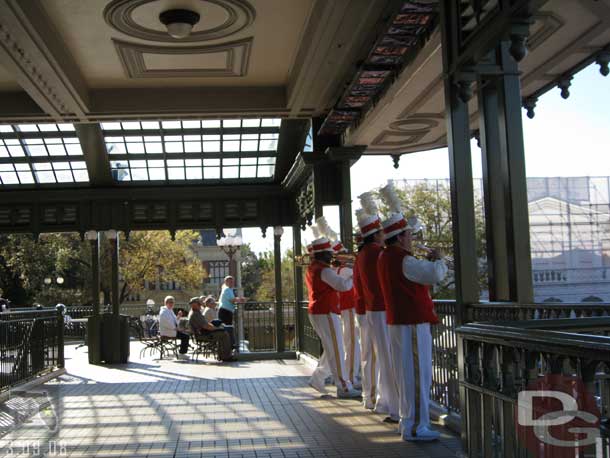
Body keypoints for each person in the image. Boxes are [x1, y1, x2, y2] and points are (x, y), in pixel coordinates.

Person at [377, 195, 448, 440]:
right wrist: (438, 258)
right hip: (412, 324)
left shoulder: (384, 257)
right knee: (418, 374)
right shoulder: (403, 260)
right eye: (408, 235)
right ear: (399, 238)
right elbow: (435, 274)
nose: (412, 239)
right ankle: (416, 427)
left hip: (400, 322)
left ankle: (411, 423)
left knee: (406, 374)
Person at [355, 196, 399, 421]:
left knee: (378, 356)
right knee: (388, 358)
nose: (385, 235)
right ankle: (391, 403)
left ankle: (379, 399)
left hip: (370, 309)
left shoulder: (361, 255)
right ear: (377, 234)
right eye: (382, 232)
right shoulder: (378, 252)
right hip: (382, 308)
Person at [306, 237, 361, 399]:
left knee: (333, 348)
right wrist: (352, 275)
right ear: (322, 254)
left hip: (318, 312)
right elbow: (342, 286)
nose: (332, 256)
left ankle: (318, 378)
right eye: (329, 253)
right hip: (326, 312)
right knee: (337, 349)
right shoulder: (324, 270)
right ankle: (343, 386)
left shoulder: (314, 268)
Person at [332, 239, 362, 391]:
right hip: (349, 308)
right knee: (352, 344)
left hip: (348, 308)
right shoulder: (344, 270)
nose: (347, 255)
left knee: (351, 342)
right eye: (343, 253)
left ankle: (351, 374)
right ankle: (351, 376)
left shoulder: (339, 269)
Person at [353, 231, 378, 410]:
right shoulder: (372, 253)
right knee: (372, 356)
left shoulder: (360, 256)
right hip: (369, 309)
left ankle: (368, 395)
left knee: (368, 355)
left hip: (362, 309)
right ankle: (371, 396)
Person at [187, 297, 235, 362]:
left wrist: (216, 328)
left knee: (222, 332)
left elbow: (206, 324)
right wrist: (217, 328)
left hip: (203, 333)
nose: (200, 306)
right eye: (198, 304)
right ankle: (226, 356)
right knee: (224, 334)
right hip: (203, 335)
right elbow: (206, 326)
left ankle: (223, 355)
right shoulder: (196, 314)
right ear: (195, 305)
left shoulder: (196, 312)